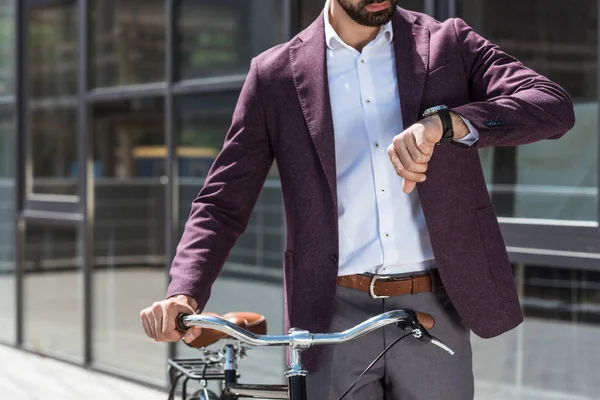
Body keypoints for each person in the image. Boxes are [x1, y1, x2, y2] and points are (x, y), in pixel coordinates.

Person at [140, 0, 575, 398]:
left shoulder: (447, 43)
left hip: (435, 307)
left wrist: (450, 123)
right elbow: (222, 202)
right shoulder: (274, 75)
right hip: (330, 313)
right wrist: (185, 291)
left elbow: (552, 106)